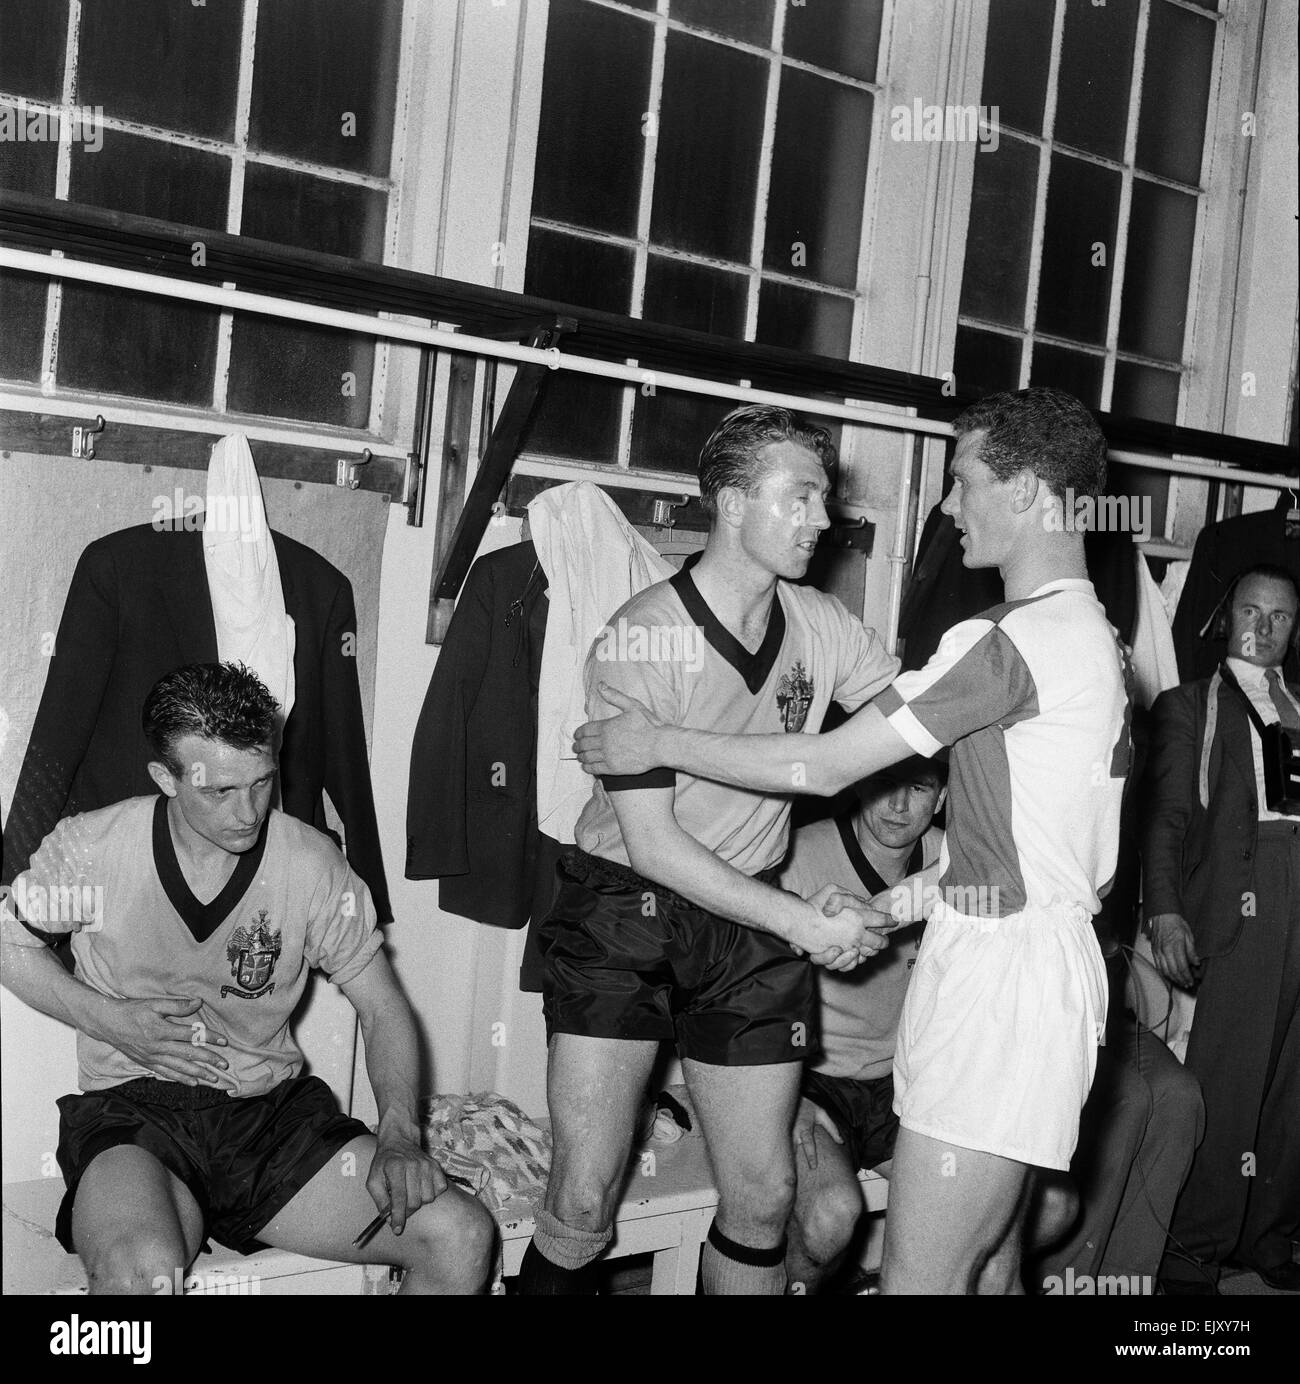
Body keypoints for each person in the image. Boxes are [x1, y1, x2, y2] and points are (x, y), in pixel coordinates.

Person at [576, 387, 1131, 1294]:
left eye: (964, 481)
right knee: (989, 1267)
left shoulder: (1006, 642)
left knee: (922, 1278)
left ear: (1028, 490)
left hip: (1003, 984)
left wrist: (657, 742)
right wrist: (886, 905)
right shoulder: (1094, 632)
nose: (949, 508)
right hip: (1035, 962)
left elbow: (827, 767)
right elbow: (1006, 849)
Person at [517, 404, 901, 1296]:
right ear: (732, 503)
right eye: (799, 497)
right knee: (583, 1198)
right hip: (626, 915)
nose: (822, 518)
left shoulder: (824, 627)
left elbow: (912, 729)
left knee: (765, 1198)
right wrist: (804, 920)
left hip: (751, 927)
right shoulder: (644, 635)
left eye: (825, 499)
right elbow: (653, 846)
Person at [0, 662, 493, 1295]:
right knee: (140, 1271)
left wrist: (399, 1132)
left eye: (262, 782)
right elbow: (8, 941)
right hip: (135, 1114)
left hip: (268, 1119)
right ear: (165, 778)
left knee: (461, 1234)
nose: (248, 811)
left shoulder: (311, 863)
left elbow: (384, 1008)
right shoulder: (94, 848)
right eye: (220, 791)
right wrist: (104, 1017)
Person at [1142, 563, 1300, 1294]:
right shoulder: (1187, 705)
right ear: (1225, 616)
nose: (1263, 628)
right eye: (1251, 611)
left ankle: (1267, 1238)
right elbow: (1169, 818)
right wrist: (1165, 908)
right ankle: (1195, 1250)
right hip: (1246, 901)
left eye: (1280, 617)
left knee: (1289, 1089)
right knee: (1229, 1086)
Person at [780, 756, 945, 1293]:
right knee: (830, 1217)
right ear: (855, 782)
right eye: (883, 785)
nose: (898, 806)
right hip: (815, 1078)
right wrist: (782, 1088)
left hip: (908, 1082)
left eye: (918, 788)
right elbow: (746, 987)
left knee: (1049, 1207)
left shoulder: (957, 859)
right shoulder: (798, 853)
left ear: (941, 798)